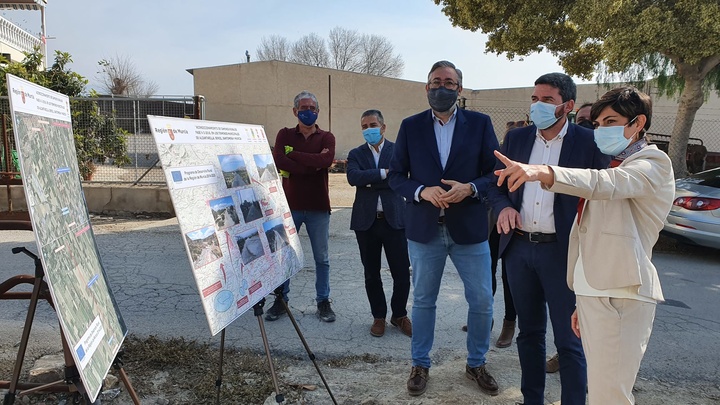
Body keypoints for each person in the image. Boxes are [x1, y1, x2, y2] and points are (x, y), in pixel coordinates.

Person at [493, 85, 674, 405]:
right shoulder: (610, 163)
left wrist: (543, 172)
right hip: (594, 291)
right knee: (599, 390)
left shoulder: (651, 163)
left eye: (611, 121)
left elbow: (608, 186)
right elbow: (587, 231)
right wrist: (583, 293)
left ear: (638, 123)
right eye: (599, 123)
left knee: (610, 395)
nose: (601, 130)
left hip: (623, 291)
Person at [487, 72, 609, 405]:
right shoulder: (516, 139)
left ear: (567, 106)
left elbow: (602, 195)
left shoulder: (588, 143)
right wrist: (502, 209)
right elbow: (496, 188)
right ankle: (532, 400)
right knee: (529, 335)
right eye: (534, 99)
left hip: (563, 254)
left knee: (570, 340)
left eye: (547, 100)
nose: (537, 106)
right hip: (519, 250)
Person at [389, 60, 500, 398]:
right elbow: (396, 177)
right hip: (425, 230)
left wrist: (471, 188)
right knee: (423, 300)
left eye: (449, 82)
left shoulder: (480, 124)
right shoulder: (410, 127)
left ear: (459, 89)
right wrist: (422, 191)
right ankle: (420, 363)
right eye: (436, 81)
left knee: (482, 300)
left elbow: (495, 173)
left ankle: (476, 362)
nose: (442, 87)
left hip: (468, 228)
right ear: (426, 88)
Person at [267, 90, 336, 323]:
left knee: (322, 258)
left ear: (318, 111)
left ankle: (323, 301)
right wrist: (311, 164)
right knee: (285, 255)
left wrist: (294, 155)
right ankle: (281, 299)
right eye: (304, 108)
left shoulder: (327, 137)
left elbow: (325, 160)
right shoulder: (284, 134)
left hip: (318, 206)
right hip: (291, 206)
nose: (308, 112)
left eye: (312, 108)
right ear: (295, 111)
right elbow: (279, 160)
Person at [347, 109, 412, 338]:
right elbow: (353, 177)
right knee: (371, 273)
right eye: (364, 126)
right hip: (366, 223)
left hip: (395, 221)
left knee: (402, 272)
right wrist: (385, 174)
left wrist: (371, 178)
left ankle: (399, 314)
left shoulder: (398, 151)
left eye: (372, 124)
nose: (368, 129)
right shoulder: (356, 153)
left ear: (383, 127)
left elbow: (402, 178)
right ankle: (379, 316)